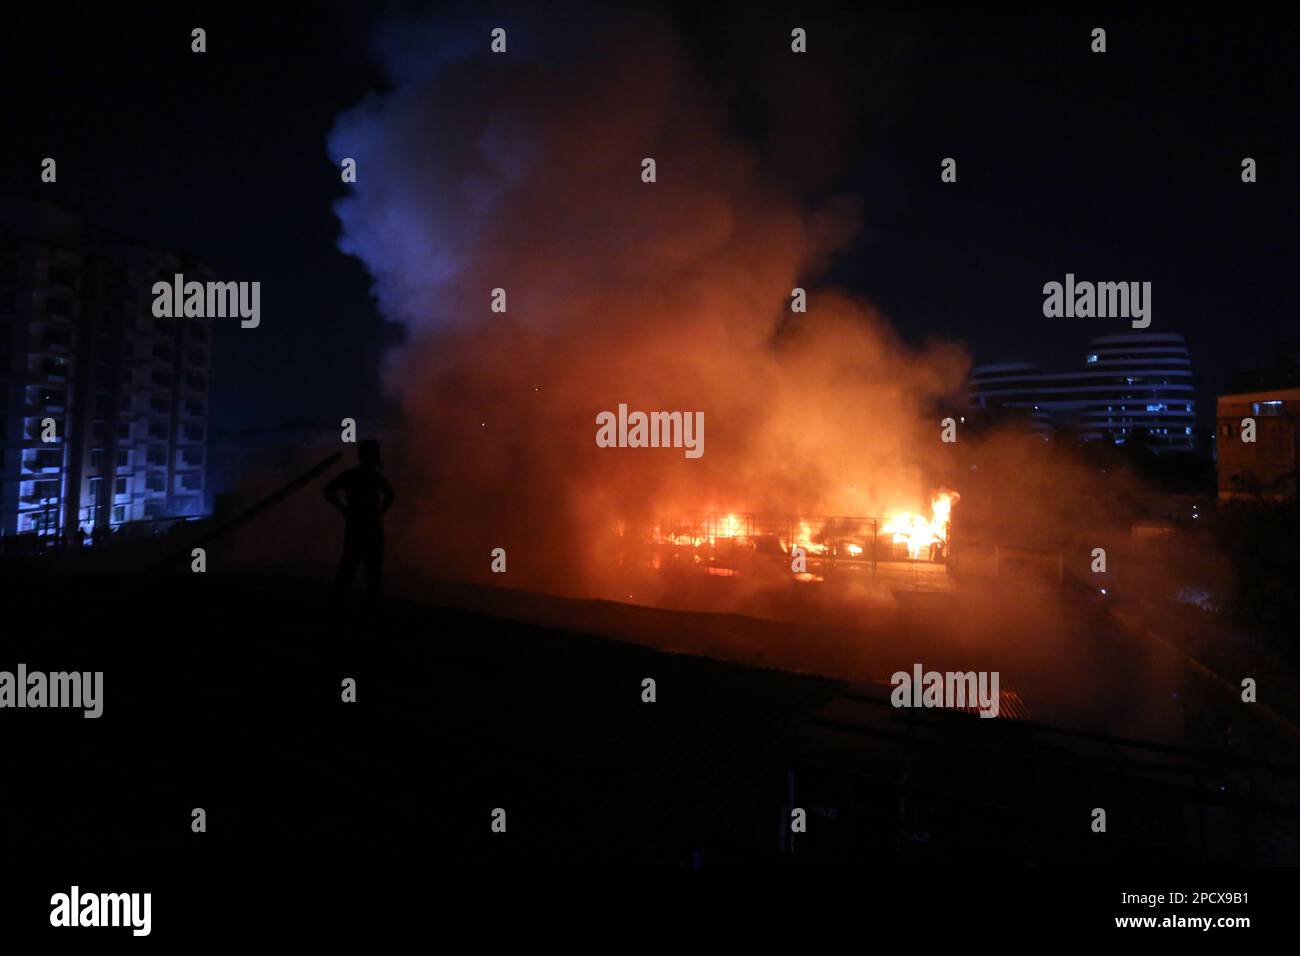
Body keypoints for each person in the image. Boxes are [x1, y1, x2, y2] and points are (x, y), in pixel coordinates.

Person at [324, 440, 394, 598]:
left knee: (348, 566)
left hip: (355, 524)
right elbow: (390, 495)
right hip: (371, 525)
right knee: (373, 570)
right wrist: (380, 512)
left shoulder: (351, 475)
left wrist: (344, 509)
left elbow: (328, 490)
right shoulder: (374, 476)